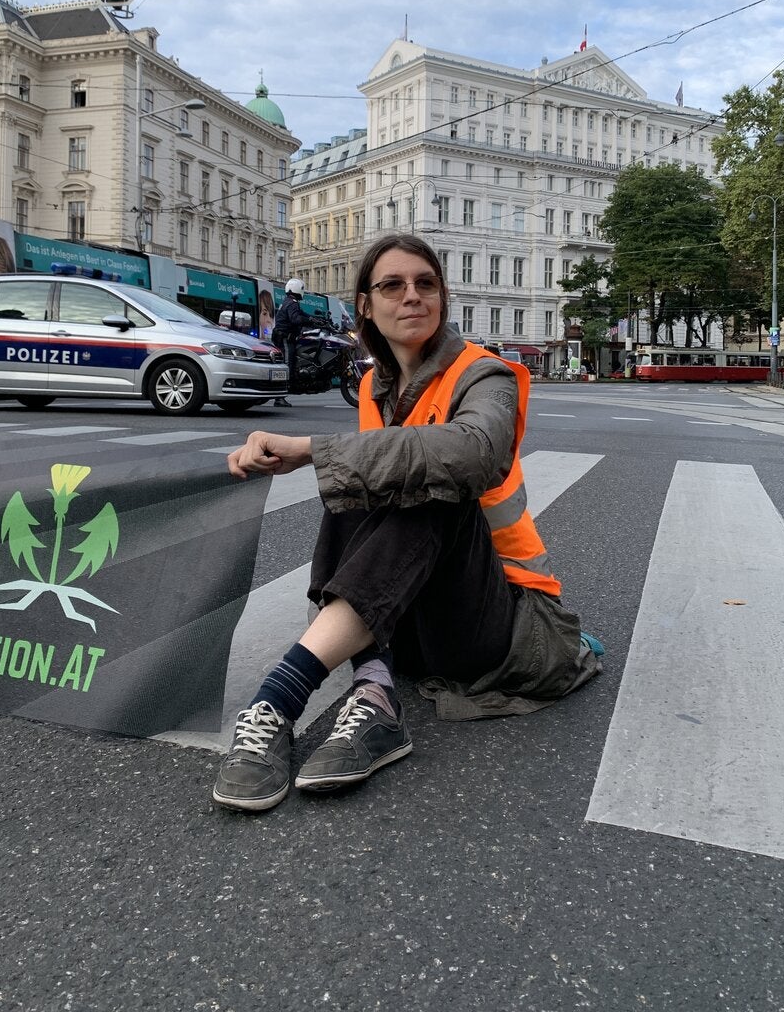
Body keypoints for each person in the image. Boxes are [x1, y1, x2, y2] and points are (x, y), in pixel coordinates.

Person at [213, 233, 602, 813]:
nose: (412, 297)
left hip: (506, 623)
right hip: (416, 623)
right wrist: (324, 456)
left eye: (426, 284)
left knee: (428, 482)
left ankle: (277, 702)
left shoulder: (485, 374)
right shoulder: (373, 386)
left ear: (443, 300)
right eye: (392, 285)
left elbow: (475, 455)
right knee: (365, 479)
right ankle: (375, 697)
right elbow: (369, 480)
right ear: (365, 306)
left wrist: (314, 449)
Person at [273, 278, 315, 406]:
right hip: (284, 337)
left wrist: (315, 319)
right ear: (297, 289)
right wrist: (310, 321)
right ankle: (279, 398)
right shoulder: (292, 303)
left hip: (286, 337)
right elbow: (296, 319)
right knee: (286, 366)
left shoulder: (290, 302)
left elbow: (303, 314)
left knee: (290, 363)